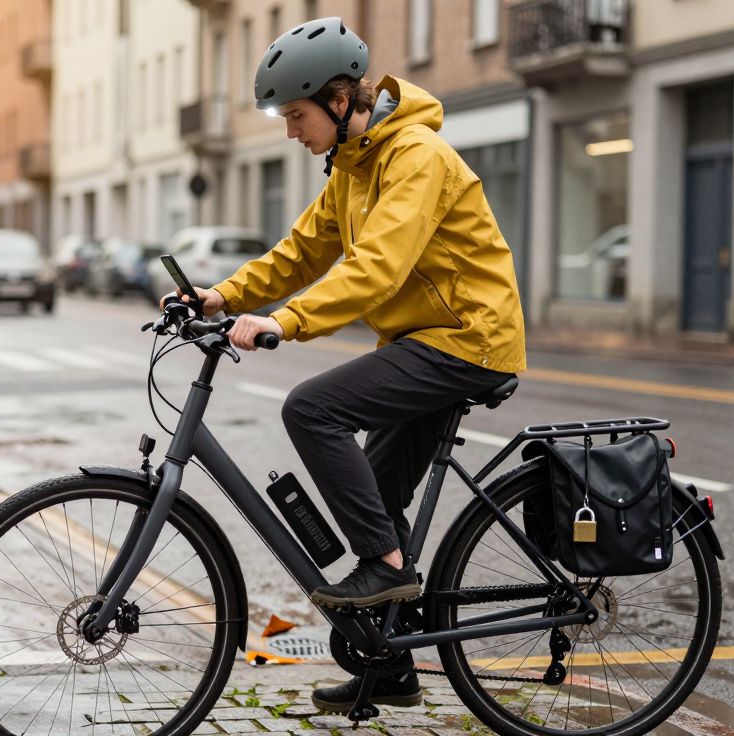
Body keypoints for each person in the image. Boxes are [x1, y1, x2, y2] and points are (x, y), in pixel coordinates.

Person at [162, 17, 526, 712]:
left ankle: (387, 570)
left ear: (338, 100)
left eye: (296, 116)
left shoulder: (414, 155)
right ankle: (390, 666)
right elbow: (301, 253)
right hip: (422, 343)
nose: (291, 132)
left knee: (312, 408)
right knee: (377, 505)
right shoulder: (352, 168)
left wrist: (284, 322)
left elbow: (377, 267)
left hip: (466, 339)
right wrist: (221, 296)